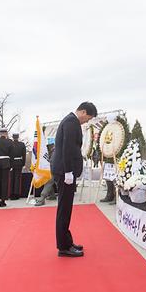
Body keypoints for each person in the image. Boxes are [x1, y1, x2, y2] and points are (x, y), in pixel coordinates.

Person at [51, 101, 97, 257]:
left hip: (65, 170)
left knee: (66, 208)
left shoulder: (70, 120)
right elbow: (68, 148)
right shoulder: (71, 122)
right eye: (88, 118)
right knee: (64, 209)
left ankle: (67, 241)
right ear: (83, 112)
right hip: (65, 171)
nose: (87, 121)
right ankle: (63, 247)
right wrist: (69, 171)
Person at [10, 132, 27, 199]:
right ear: (18, 137)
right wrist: (23, 163)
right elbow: (24, 155)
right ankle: (16, 194)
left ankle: (11, 194)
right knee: (17, 179)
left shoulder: (10, 144)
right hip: (19, 162)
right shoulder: (22, 144)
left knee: (12, 179)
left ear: (13, 137)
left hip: (11, 162)